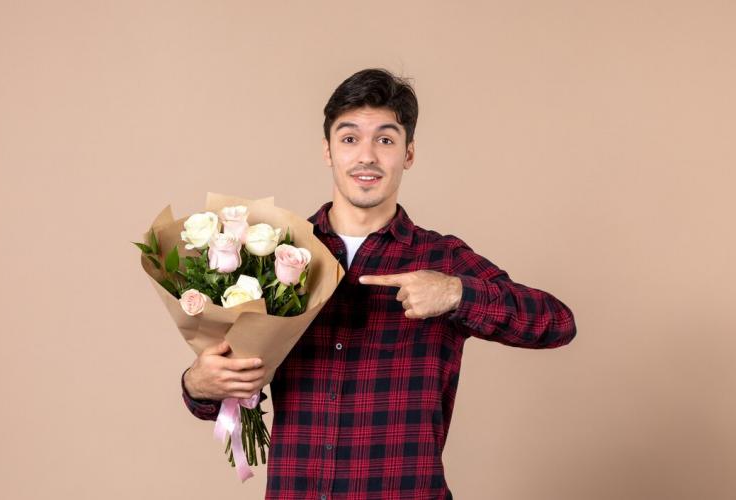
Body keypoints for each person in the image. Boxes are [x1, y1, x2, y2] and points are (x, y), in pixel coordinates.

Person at [181, 68, 577, 499]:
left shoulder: (441, 259)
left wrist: (456, 293)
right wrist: (197, 385)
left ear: (408, 153)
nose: (366, 156)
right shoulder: (271, 254)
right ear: (328, 150)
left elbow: (557, 323)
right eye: (350, 138)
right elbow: (229, 381)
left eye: (385, 140)